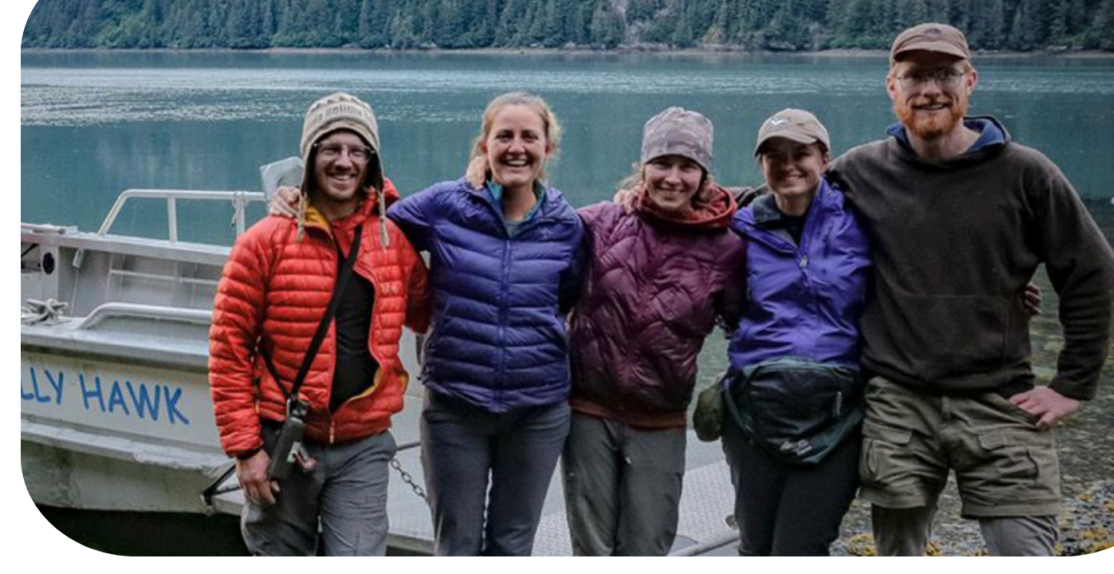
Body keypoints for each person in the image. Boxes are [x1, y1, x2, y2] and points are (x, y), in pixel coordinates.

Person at [831, 23, 1114, 557]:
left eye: (945, 74)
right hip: (898, 402)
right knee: (897, 550)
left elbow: (1095, 275)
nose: (931, 90)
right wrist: (679, 197)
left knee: (1025, 546)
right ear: (891, 87)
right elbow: (783, 199)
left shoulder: (1026, 173)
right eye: (915, 76)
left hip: (1001, 397)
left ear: (971, 82)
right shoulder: (860, 171)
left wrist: (1072, 385)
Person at [209, 92, 431, 557]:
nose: (344, 162)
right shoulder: (264, 242)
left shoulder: (393, 239)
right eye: (331, 149)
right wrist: (247, 452)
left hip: (363, 443)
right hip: (283, 440)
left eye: (357, 151)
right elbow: (229, 349)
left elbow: (430, 312)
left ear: (371, 161)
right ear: (310, 156)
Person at [388, 91, 586, 557]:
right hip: (456, 406)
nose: (516, 147)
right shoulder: (445, 205)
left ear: (547, 149)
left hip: (536, 410)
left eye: (529, 137)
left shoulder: (567, 225)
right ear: (484, 146)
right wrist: (295, 196)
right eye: (504, 136)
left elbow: (567, 296)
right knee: (456, 544)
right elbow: (377, 225)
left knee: (512, 544)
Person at [562, 108, 745, 557]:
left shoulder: (727, 248)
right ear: (642, 167)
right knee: (592, 546)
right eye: (662, 163)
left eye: (687, 166)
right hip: (588, 411)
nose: (673, 177)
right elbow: (537, 249)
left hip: (660, 417)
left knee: (648, 544)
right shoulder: (599, 223)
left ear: (704, 175)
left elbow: (745, 327)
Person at [721, 109, 872, 557]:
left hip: (836, 417)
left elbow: (931, 259)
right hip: (752, 410)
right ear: (760, 165)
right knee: (755, 545)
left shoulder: (862, 220)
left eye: (800, 153)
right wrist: (629, 196)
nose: (788, 165)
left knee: (800, 548)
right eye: (774, 155)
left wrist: (1006, 288)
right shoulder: (737, 226)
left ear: (825, 158)